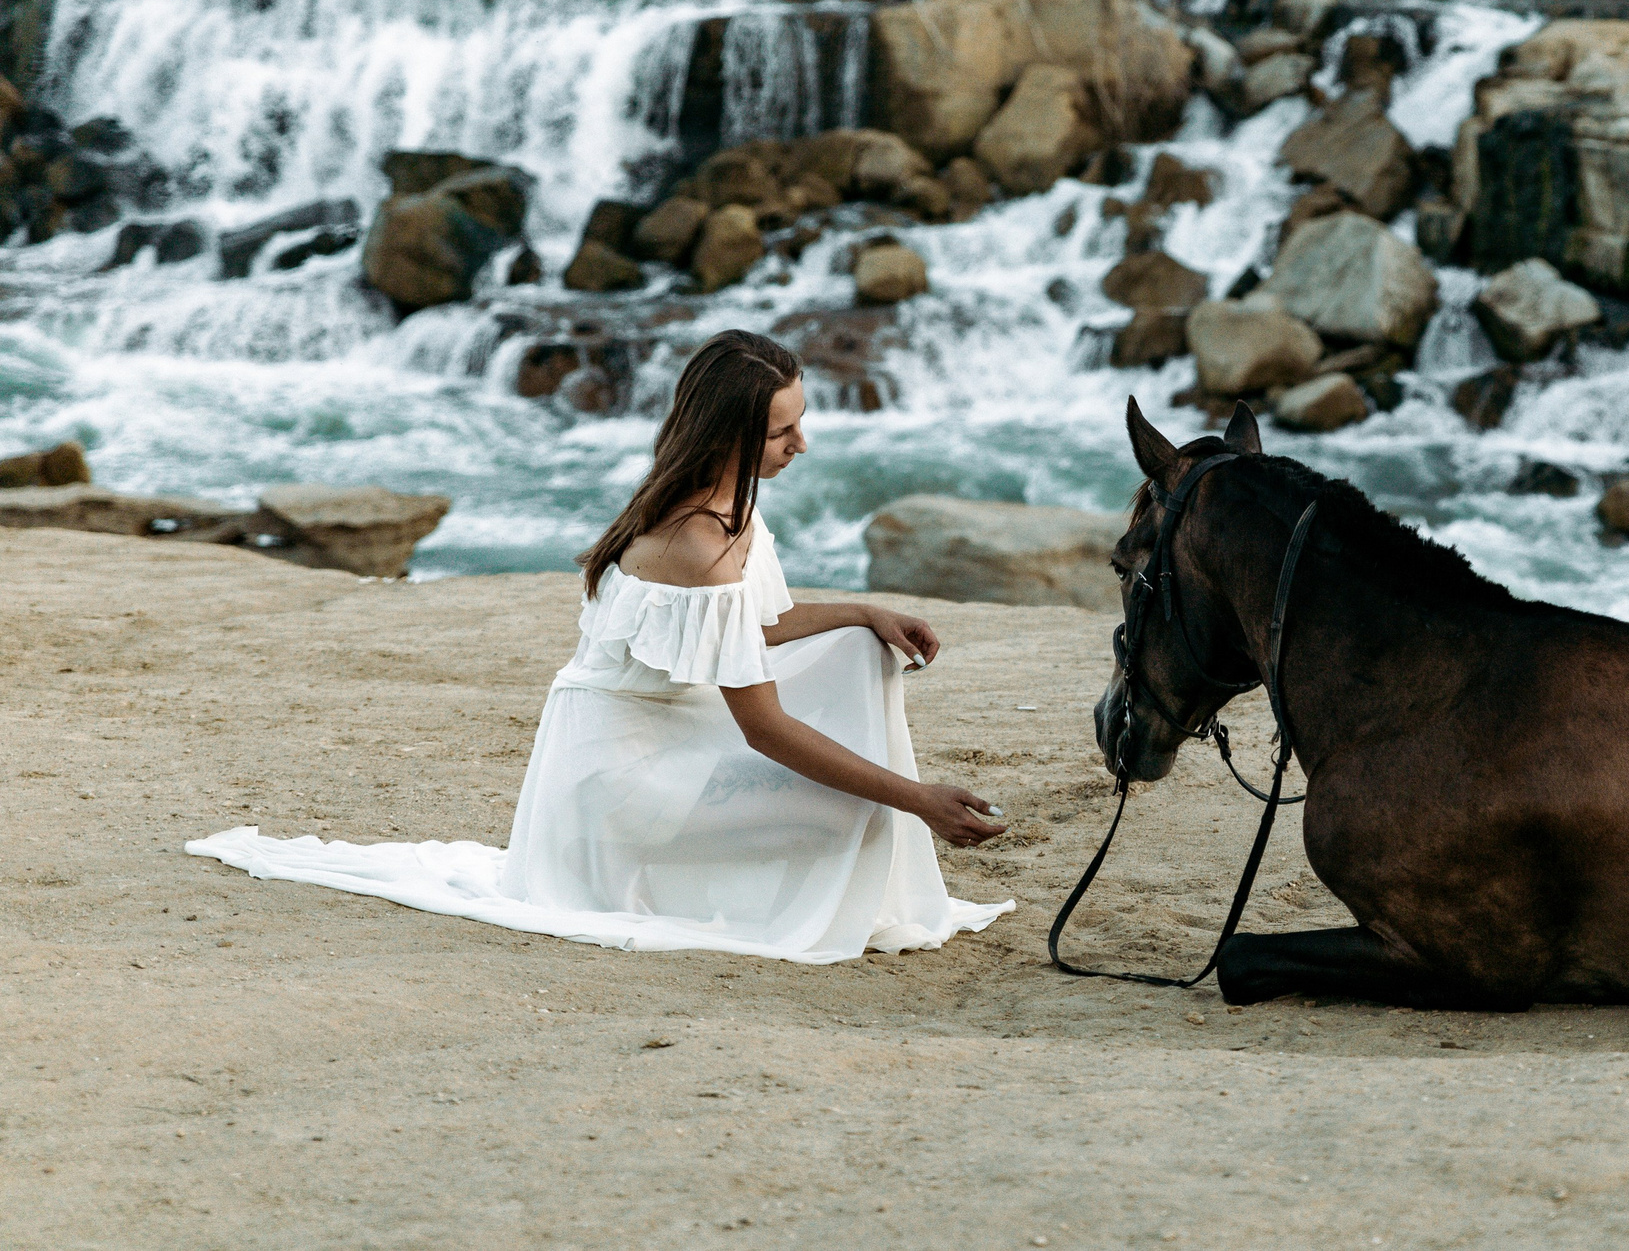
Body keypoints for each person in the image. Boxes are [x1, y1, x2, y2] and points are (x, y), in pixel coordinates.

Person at [188, 329, 1012, 962]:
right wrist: (914, 798)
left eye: (800, 423)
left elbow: (747, 634)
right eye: (781, 434)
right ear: (729, 439)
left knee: (859, 655)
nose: (801, 445)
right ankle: (832, 854)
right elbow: (762, 726)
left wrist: (864, 612)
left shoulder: (720, 507)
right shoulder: (700, 541)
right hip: (621, 777)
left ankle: (869, 808)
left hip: (658, 728)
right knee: (857, 812)